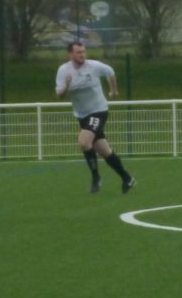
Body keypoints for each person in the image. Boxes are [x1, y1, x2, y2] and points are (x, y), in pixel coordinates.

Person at [56, 42, 135, 194]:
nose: (82, 55)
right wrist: (66, 86)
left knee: (84, 142)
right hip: (82, 115)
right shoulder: (63, 71)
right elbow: (59, 95)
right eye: (78, 52)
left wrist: (113, 90)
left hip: (98, 111)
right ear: (70, 54)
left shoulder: (94, 66)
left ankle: (96, 178)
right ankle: (127, 178)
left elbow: (110, 72)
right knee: (104, 151)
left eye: (83, 52)